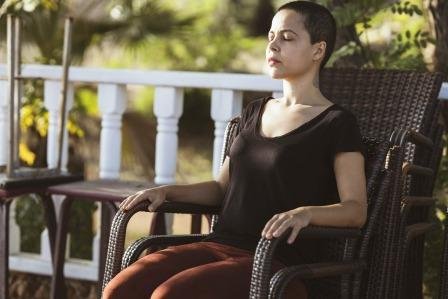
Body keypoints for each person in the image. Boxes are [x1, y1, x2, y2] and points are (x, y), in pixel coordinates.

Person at [103, 1, 367, 298]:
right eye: (271, 37)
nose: (274, 46)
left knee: (170, 295)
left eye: (287, 38)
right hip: (218, 245)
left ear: (318, 50)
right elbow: (221, 188)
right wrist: (167, 191)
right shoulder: (254, 111)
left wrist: (305, 214)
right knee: (120, 289)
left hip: (276, 262)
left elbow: (355, 210)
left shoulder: (336, 123)